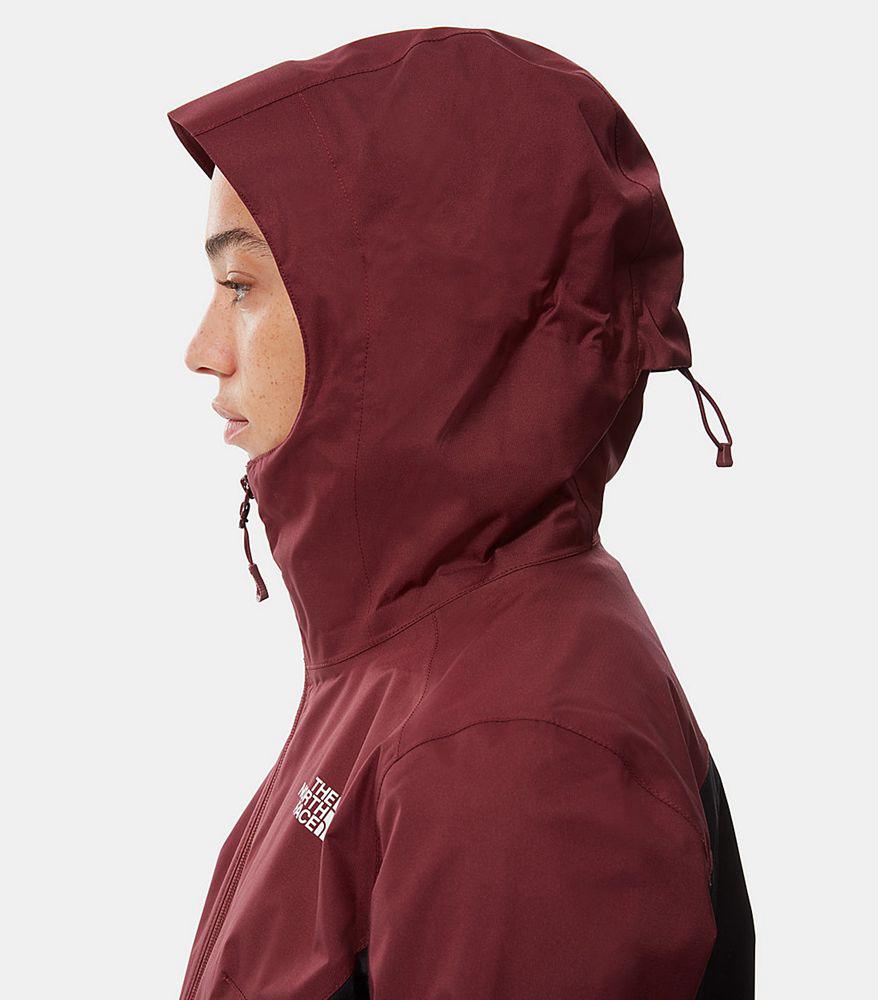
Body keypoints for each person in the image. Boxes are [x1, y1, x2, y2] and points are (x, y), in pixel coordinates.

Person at [169, 25, 753, 1000]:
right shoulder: (417, 654)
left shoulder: (512, 749)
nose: (202, 349)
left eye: (240, 286)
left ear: (408, 312)